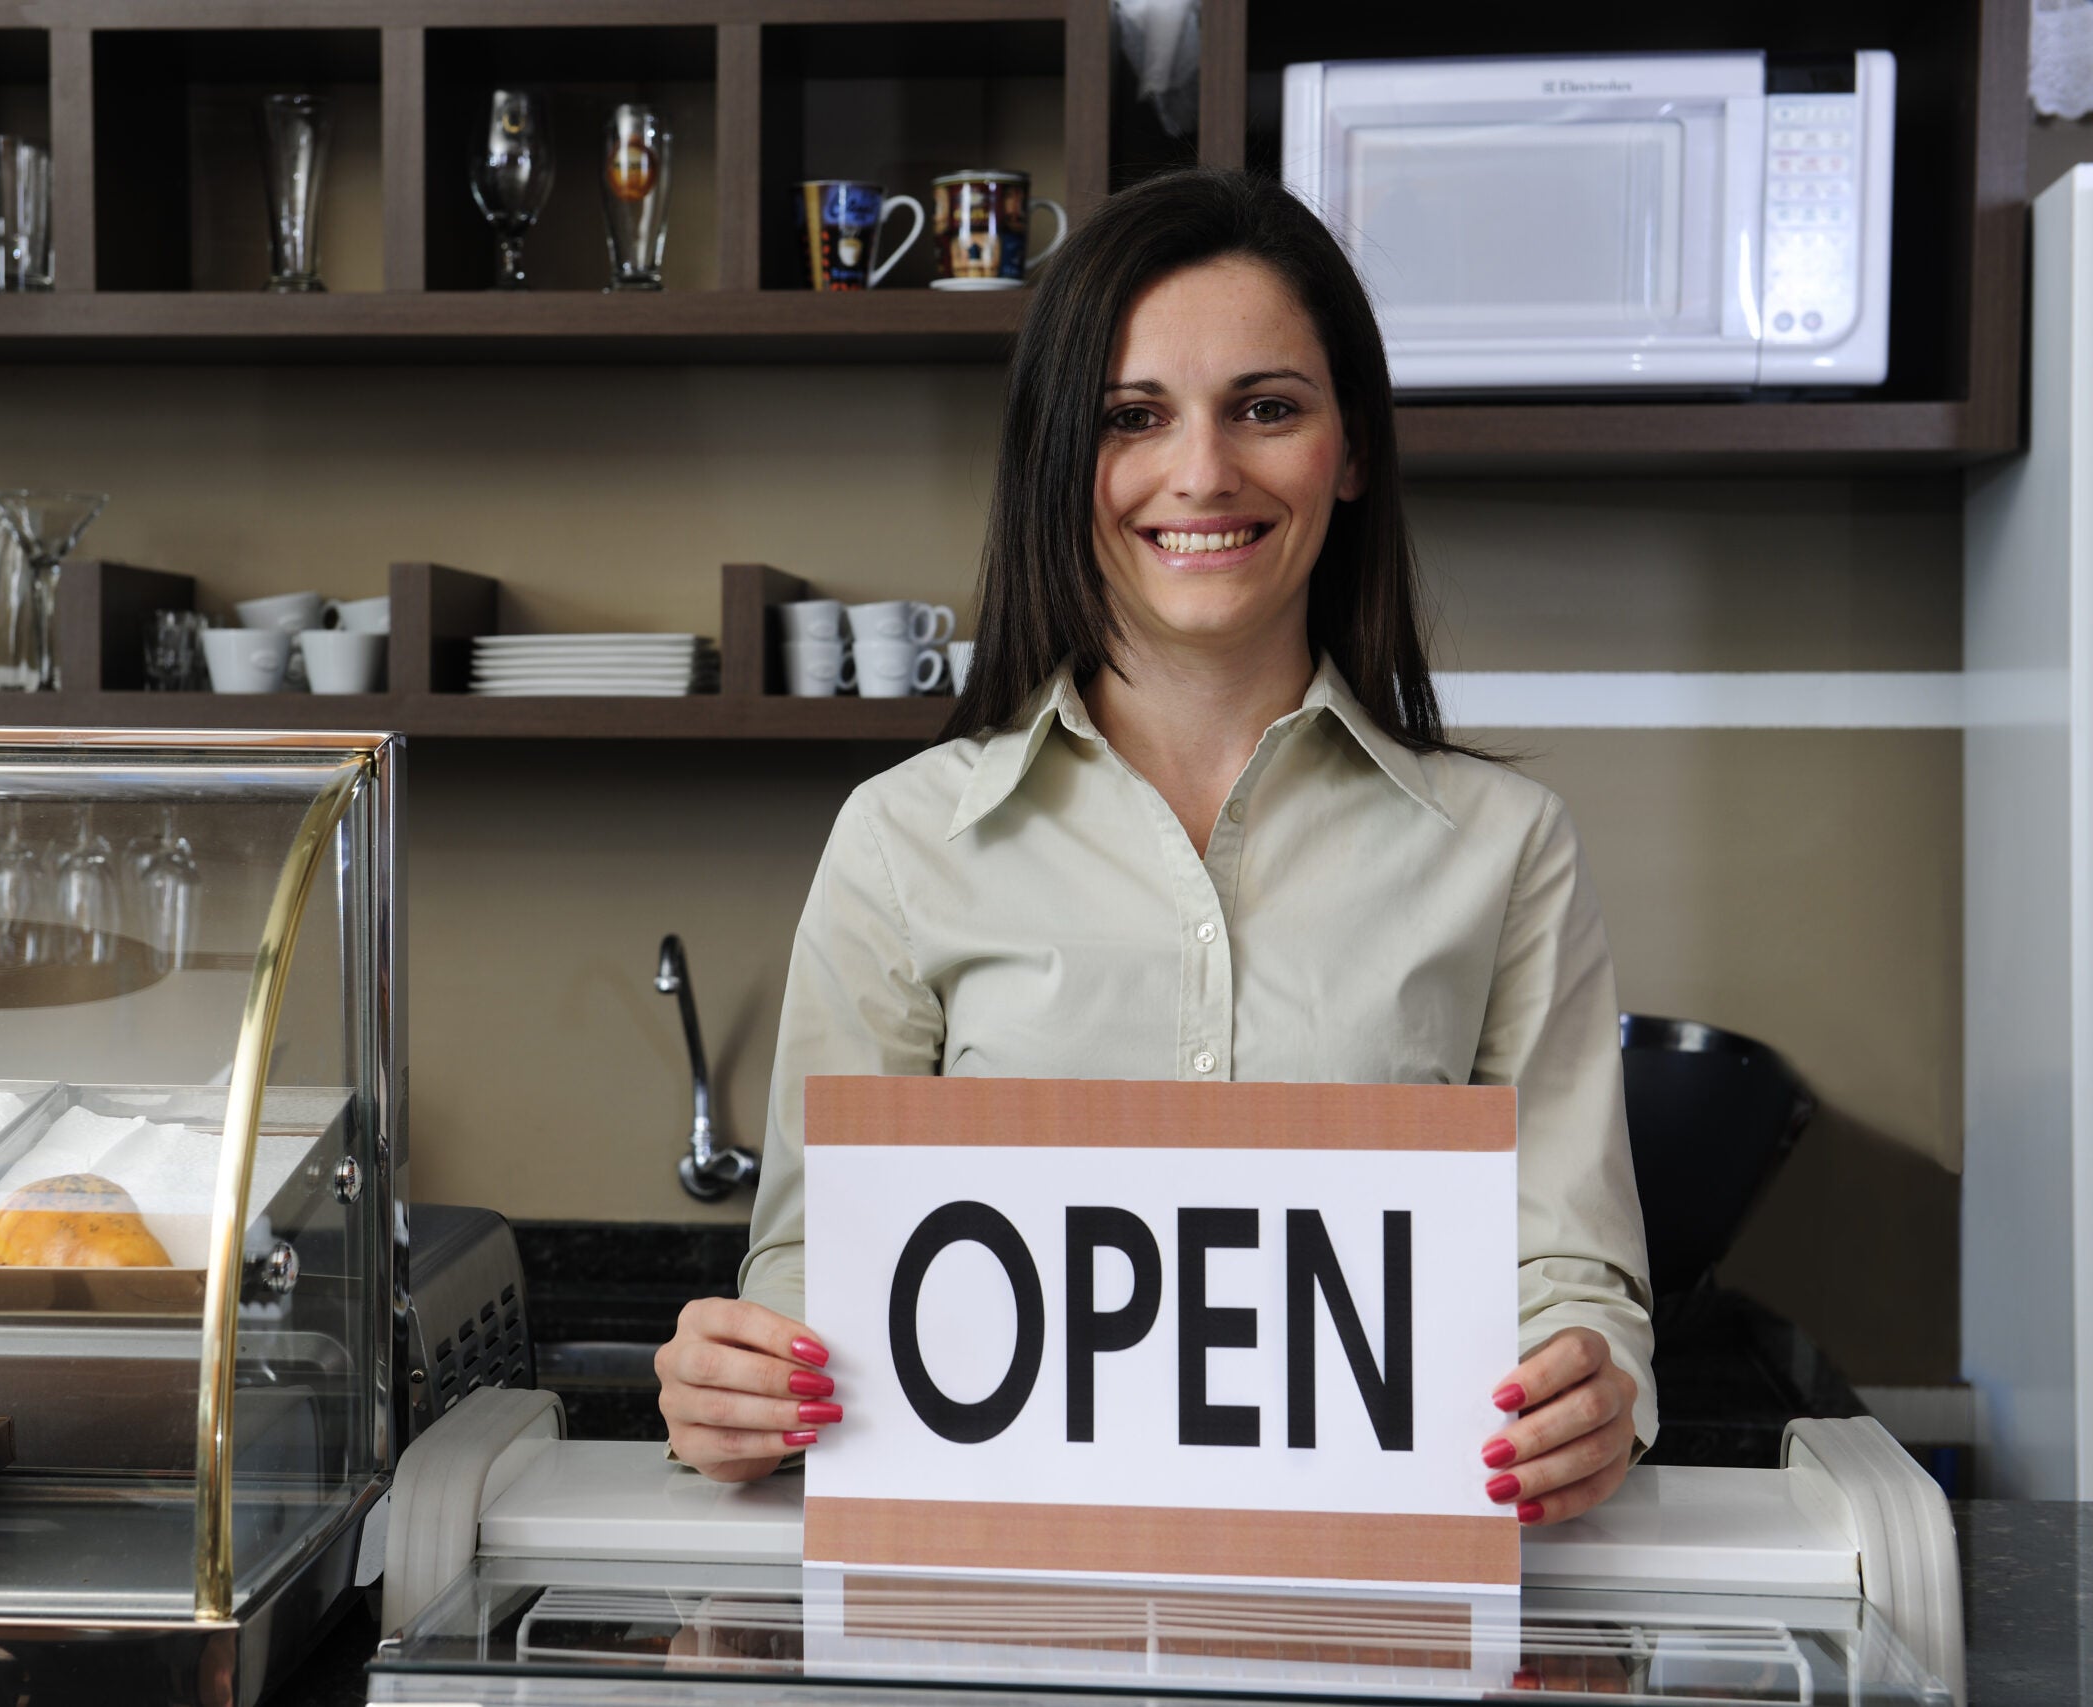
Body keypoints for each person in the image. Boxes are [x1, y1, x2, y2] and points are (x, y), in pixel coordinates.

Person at [655, 168, 1653, 1528]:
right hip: (994, 1631)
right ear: (1064, 456)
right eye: (1136, 417)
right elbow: (820, 1273)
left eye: (1268, 408)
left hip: (1370, 1617)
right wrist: (743, 1388)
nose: (1204, 473)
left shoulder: (1508, 849)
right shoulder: (899, 841)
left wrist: (1595, 1398)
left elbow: (1571, 1276)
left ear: (1348, 451)